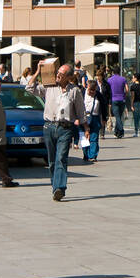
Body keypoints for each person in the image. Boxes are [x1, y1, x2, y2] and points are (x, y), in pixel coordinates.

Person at [26, 62, 89, 201]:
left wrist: (86, 128)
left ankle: (59, 188)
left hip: (65, 129)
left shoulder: (74, 91)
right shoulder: (49, 87)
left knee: (61, 158)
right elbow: (29, 88)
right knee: (52, 161)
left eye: (62, 74)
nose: (58, 75)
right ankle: (55, 186)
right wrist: (37, 71)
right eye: (58, 73)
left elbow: (81, 111)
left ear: (69, 77)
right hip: (49, 127)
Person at [82, 77, 103, 162]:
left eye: (94, 90)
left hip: (95, 117)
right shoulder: (82, 93)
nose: (92, 92)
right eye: (91, 90)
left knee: (94, 137)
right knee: (84, 138)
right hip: (83, 118)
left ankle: (93, 156)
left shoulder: (98, 95)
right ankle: (86, 154)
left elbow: (103, 106)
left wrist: (104, 118)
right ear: (87, 87)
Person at [107, 66, 128, 138]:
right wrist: (124, 95)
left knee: (117, 116)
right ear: (119, 71)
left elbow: (108, 90)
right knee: (119, 116)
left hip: (114, 99)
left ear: (113, 72)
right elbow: (127, 89)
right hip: (122, 99)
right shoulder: (123, 79)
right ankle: (117, 132)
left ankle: (121, 130)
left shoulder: (109, 80)